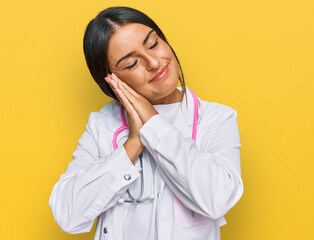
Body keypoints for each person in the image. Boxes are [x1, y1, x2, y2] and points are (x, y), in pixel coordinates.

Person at [49, 6, 244, 240]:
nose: (153, 62)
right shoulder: (102, 126)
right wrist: (131, 145)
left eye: (153, 44)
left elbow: (217, 200)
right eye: (131, 64)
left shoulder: (216, 119)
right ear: (111, 80)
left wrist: (153, 124)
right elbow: (67, 215)